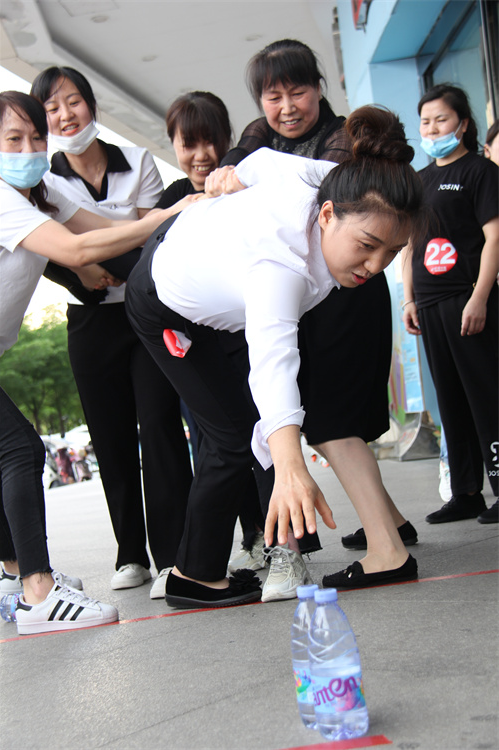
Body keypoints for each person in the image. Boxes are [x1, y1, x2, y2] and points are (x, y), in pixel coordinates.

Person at [125, 104, 424, 610]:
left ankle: (238, 561)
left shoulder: (336, 182)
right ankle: (192, 576)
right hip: (164, 300)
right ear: (327, 215)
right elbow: (273, 362)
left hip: (218, 284)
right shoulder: (280, 268)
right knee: (232, 433)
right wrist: (289, 465)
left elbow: (263, 161)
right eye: (368, 245)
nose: (375, 266)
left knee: (246, 425)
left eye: (392, 253)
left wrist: (236, 177)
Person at [220, 39, 418, 599]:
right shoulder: (256, 139)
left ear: (320, 89)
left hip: (347, 291)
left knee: (331, 420)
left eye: (298, 91)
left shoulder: (343, 140)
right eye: (273, 96)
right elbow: (239, 167)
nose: (287, 107)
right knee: (327, 418)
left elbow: (266, 174)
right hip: (307, 295)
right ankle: (391, 525)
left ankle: (388, 550)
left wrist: (249, 171)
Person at [0, 90, 175, 634]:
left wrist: (169, 237)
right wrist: (167, 215)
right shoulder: (2, 197)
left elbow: (98, 233)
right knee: (20, 449)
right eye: (12, 139)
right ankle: (38, 593)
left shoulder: (40, 191)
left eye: (36, 138)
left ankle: (13, 577)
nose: (28, 149)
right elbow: (76, 251)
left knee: (6, 452)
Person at [31, 67, 194, 598]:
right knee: (111, 436)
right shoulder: (43, 180)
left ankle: (173, 554)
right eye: (52, 108)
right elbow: (49, 250)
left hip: (146, 313)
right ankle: (131, 554)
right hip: (91, 320)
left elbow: (153, 240)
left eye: (73, 101)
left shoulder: (138, 161)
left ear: (92, 104)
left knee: (161, 426)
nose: (65, 115)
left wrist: (93, 256)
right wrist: (80, 270)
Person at [402, 84, 498, 526]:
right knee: (450, 399)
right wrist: (408, 298)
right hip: (429, 304)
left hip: (467, 299)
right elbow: (409, 245)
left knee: (486, 394)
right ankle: (466, 492)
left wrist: (480, 297)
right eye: (425, 121)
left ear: (462, 124)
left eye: (441, 119)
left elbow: (494, 238)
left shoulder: (481, 171)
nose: (432, 128)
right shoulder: (419, 181)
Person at [153, 90, 235, 467]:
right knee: (208, 442)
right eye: (189, 144)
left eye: (210, 141)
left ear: (227, 140)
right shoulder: (174, 197)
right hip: (192, 346)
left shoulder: (244, 187)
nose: (201, 155)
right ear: (173, 144)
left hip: (241, 340)